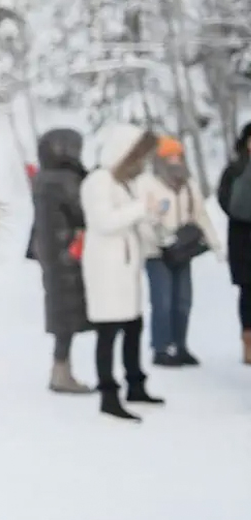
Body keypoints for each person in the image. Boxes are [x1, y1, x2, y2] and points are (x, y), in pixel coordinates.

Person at [79, 123, 163, 422]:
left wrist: (152, 216)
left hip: (126, 270)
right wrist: (141, 208)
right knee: (108, 332)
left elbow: (132, 219)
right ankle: (108, 394)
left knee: (132, 327)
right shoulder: (98, 181)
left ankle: (135, 384)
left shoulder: (123, 182)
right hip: (107, 271)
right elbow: (104, 221)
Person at [134, 136, 225, 367]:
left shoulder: (188, 183)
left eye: (178, 156)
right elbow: (141, 217)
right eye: (169, 156)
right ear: (159, 159)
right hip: (156, 251)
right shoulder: (146, 183)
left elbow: (200, 215)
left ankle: (180, 345)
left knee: (183, 300)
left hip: (182, 249)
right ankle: (161, 348)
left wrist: (215, 244)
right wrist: (158, 240)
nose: (175, 161)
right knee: (162, 300)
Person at [30, 129, 92, 393]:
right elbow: (82, 211)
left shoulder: (44, 178)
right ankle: (61, 372)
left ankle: (61, 369)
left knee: (61, 311)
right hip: (67, 253)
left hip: (52, 253)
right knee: (68, 314)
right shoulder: (64, 180)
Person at [217, 122, 251, 364]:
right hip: (243, 241)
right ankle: (248, 342)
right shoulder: (236, 169)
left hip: (240, 238)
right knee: (248, 293)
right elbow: (226, 201)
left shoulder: (233, 169)